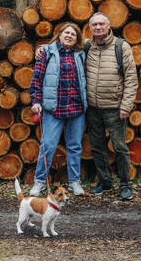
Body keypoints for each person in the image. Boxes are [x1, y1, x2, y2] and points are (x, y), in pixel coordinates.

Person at [29, 22, 87, 197]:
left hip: (76, 107)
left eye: (73, 34)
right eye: (66, 32)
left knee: (75, 146)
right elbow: (37, 79)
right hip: (53, 108)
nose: (69, 36)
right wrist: (36, 100)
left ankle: (75, 182)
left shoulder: (81, 54)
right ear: (59, 34)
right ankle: (39, 182)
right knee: (47, 145)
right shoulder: (47, 52)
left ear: (77, 38)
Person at [86, 12, 138, 200]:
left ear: (108, 27)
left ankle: (125, 185)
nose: (98, 27)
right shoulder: (86, 46)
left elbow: (131, 78)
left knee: (119, 147)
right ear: (90, 28)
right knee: (97, 147)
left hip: (115, 108)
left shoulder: (120, 46)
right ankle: (105, 182)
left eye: (101, 24)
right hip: (93, 108)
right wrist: (41, 48)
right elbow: (61, 43)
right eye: (94, 25)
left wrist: (126, 105)